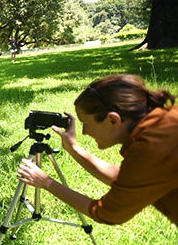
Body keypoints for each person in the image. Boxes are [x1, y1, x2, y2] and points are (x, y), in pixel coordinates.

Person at [17, 74, 177, 225]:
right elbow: (126, 179)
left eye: (86, 123)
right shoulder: (164, 125)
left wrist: (46, 182)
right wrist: (74, 148)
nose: (84, 132)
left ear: (113, 120)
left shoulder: (150, 148)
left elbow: (107, 213)